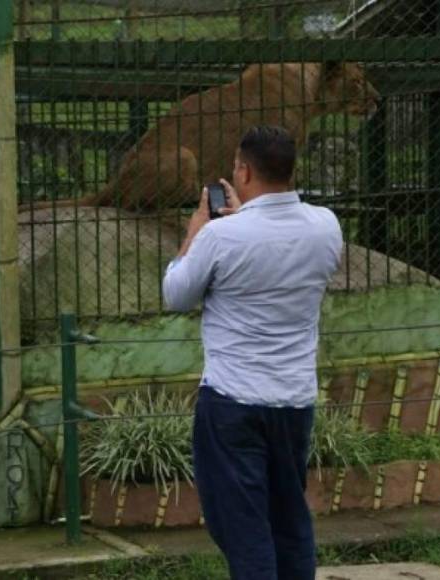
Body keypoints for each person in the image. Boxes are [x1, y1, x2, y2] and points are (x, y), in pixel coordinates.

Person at [162, 125, 343, 580]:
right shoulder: (326, 226)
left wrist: (194, 233)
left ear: (242, 171)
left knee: (243, 530)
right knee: (289, 521)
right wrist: (247, 218)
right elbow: (279, 249)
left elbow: (177, 295)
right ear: (291, 170)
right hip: (294, 402)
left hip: (233, 404)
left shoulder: (221, 237)